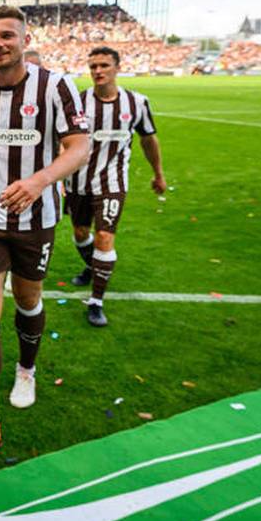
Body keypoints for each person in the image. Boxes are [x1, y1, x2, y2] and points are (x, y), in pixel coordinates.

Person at [0, 5, 91, 454]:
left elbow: (80, 147)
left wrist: (37, 182)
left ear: (25, 40)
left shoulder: (55, 87)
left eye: (7, 36)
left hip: (36, 218)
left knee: (28, 299)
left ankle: (26, 369)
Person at [65, 47, 165, 327]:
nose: (98, 71)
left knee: (105, 238)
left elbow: (148, 139)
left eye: (104, 65)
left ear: (117, 67)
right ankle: (93, 265)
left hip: (112, 182)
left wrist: (158, 173)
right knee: (80, 232)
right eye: (93, 65)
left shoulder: (137, 103)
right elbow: (64, 141)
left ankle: (96, 301)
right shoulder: (79, 102)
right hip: (77, 181)